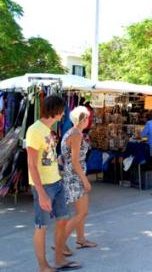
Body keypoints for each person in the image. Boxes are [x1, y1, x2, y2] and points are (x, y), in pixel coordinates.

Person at [26, 95, 81, 272]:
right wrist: (41, 193)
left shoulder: (47, 129)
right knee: (41, 225)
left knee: (63, 219)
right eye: (62, 110)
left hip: (56, 182)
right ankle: (43, 266)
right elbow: (32, 164)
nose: (63, 114)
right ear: (55, 110)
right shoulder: (35, 130)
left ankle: (59, 259)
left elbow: (46, 158)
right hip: (44, 186)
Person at [60, 106, 97, 256]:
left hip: (72, 175)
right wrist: (85, 180)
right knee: (82, 212)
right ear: (83, 119)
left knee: (80, 212)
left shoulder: (71, 132)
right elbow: (75, 161)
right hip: (76, 176)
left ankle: (81, 239)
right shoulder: (76, 134)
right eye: (87, 117)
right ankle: (60, 243)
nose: (89, 120)